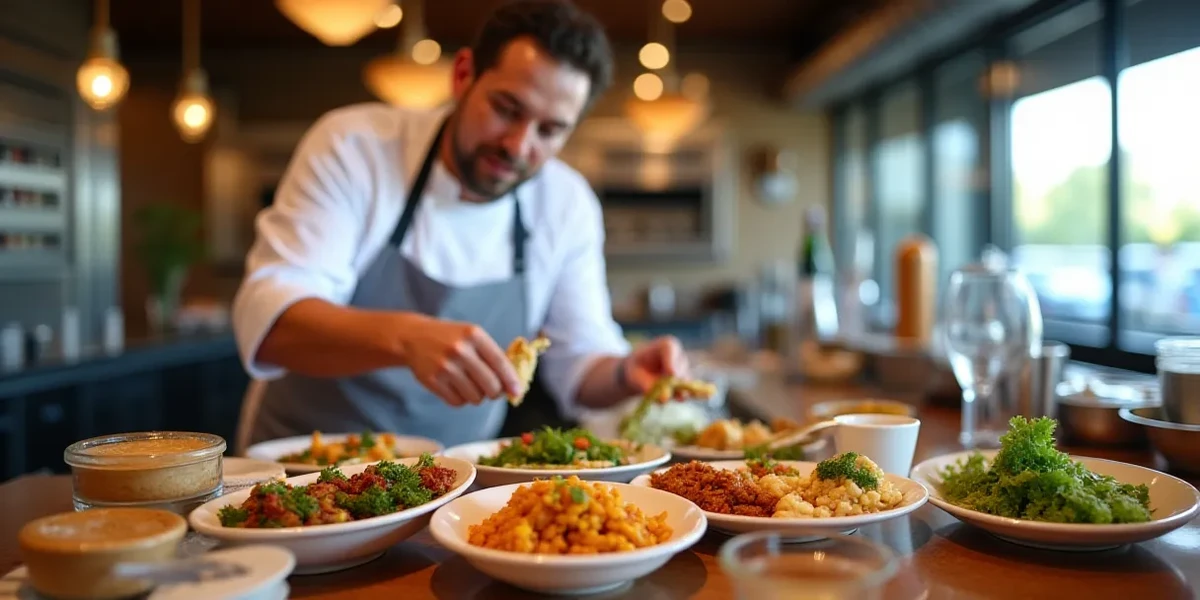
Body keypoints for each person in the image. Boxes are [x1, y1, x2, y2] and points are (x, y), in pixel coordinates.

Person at [232, 0, 689, 447]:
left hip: (450, 490)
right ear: (463, 75)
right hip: (299, 476)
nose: (517, 144)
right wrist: (408, 338)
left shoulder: (565, 204)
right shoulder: (357, 147)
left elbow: (579, 365)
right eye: (507, 109)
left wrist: (627, 373)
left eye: (549, 131)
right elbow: (273, 327)